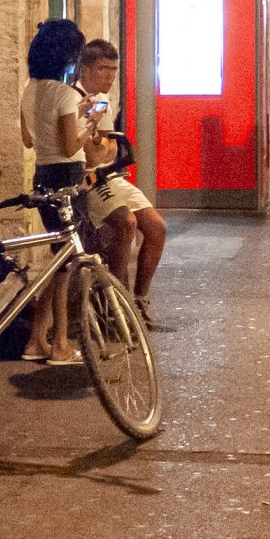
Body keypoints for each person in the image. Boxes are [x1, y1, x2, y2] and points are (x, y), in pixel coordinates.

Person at [75, 38, 167, 324]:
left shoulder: (102, 101)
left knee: (156, 227)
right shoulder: (76, 100)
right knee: (126, 223)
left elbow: (108, 149)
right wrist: (103, 146)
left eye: (113, 70)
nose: (109, 76)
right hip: (90, 180)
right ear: (86, 69)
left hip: (110, 175)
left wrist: (103, 146)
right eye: (103, 69)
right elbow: (93, 155)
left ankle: (139, 298)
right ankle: (119, 305)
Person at [19, 18, 88, 363]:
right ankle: (60, 342)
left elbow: (28, 140)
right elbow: (70, 145)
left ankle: (36, 339)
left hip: (42, 174)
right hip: (68, 177)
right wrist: (89, 123)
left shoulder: (29, 90)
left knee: (57, 258)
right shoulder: (65, 93)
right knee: (67, 262)